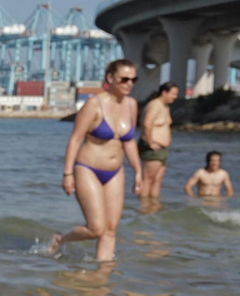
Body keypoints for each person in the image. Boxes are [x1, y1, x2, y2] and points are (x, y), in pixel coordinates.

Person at [48, 59, 143, 261]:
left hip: (116, 171)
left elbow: (129, 142)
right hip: (88, 168)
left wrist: (138, 172)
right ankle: (60, 239)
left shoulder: (131, 105)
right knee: (96, 228)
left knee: (110, 230)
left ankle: (102, 278)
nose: (129, 84)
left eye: (133, 79)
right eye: (124, 79)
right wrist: (67, 174)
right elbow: (75, 139)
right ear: (110, 78)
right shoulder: (94, 104)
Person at [136, 82, 178, 199]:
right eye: (173, 94)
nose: (175, 97)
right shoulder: (155, 105)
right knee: (148, 180)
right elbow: (146, 123)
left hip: (162, 149)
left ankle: (153, 208)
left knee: (157, 180)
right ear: (164, 92)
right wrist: (150, 142)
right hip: (152, 148)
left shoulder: (165, 107)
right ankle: (144, 208)